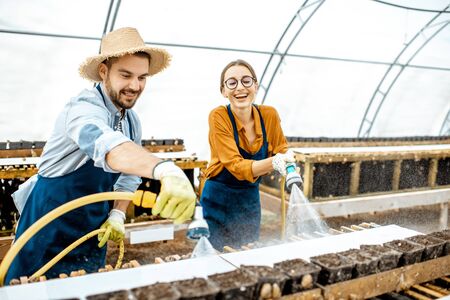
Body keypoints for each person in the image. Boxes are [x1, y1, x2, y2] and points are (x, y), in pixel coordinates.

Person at [6, 27, 196, 282]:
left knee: (87, 287)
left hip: (91, 229)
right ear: (104, 71)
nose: (135, 86)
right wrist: (164, 168)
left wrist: (117, 214)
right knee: (35, 289)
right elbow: (106, 146)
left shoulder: (132, 122)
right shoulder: (82, 109)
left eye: (142, 77)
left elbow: (127, 176)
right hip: (48, 227)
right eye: (126, 75)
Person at [200, 59, 296, 250]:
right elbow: (235, 166)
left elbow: (281, 148)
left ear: (256, 86)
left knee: (247, 255)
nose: (240, 88)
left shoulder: (269, 115)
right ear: (223, 91)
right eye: (232, 83)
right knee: (214, 257)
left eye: (246, 81)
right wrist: (274, 162)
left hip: (249, 201)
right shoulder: (219, 116)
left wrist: (290, 163)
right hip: (217, 200)